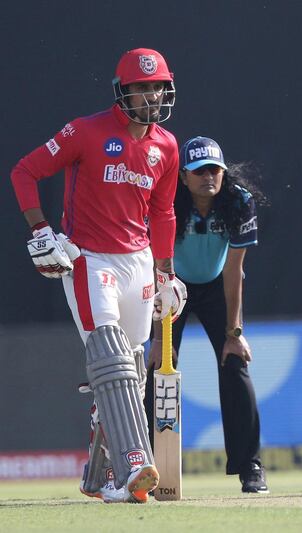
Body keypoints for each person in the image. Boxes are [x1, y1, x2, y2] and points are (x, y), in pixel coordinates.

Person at [10, 48, 187, 503]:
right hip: (90, 259)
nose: (150, 96)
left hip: (140, 262)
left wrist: (166, 273)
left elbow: (164, 213)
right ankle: (133, 467)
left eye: (156, 88)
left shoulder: (166, 146)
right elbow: (25, 171)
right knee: (110, 358)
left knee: (131, 374)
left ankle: (99, 477)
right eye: (140, 88)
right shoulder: (85, 131)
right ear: (122, 91)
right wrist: (41, 228)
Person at [144, 136, 269, 494]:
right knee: (160, 365)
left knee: (235, 365)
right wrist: (156, 338)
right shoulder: (166, 200)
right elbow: (158, 267)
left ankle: (250, 466)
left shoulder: (238, 202)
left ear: (224, 173)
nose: (207, 177)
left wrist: (235, 332)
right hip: (172, 285)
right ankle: (149, 467)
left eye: (214, 170)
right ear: (183, 176)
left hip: (217, 285)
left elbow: (234, 271)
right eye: (198, 171)